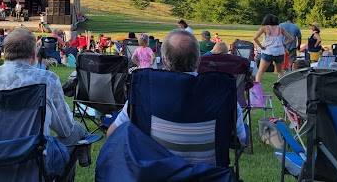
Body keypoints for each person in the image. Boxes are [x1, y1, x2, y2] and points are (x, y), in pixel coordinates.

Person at [106, 29, 247, 146]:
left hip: (153, 170)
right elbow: (241, 139)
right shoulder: (223, 97)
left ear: (165, 60)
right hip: (207, 173)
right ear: (198, 60)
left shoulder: (142, 94)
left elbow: (112, 133)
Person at [0, 28, 88, 175]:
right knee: (77, 130)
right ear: (33, 55)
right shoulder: (47, 79)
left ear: (5, 53)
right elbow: (65, 128)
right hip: (33, 158)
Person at [252, 14, 296, 82]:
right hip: (279, 52)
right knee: (280, 71)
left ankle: (258, 90)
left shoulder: (265, 28)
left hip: (268, 52)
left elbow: (255, 38)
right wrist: (283, 44)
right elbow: (291, 38)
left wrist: (261, 46)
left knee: (260, 72)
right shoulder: (280, 28)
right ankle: (282, 87)